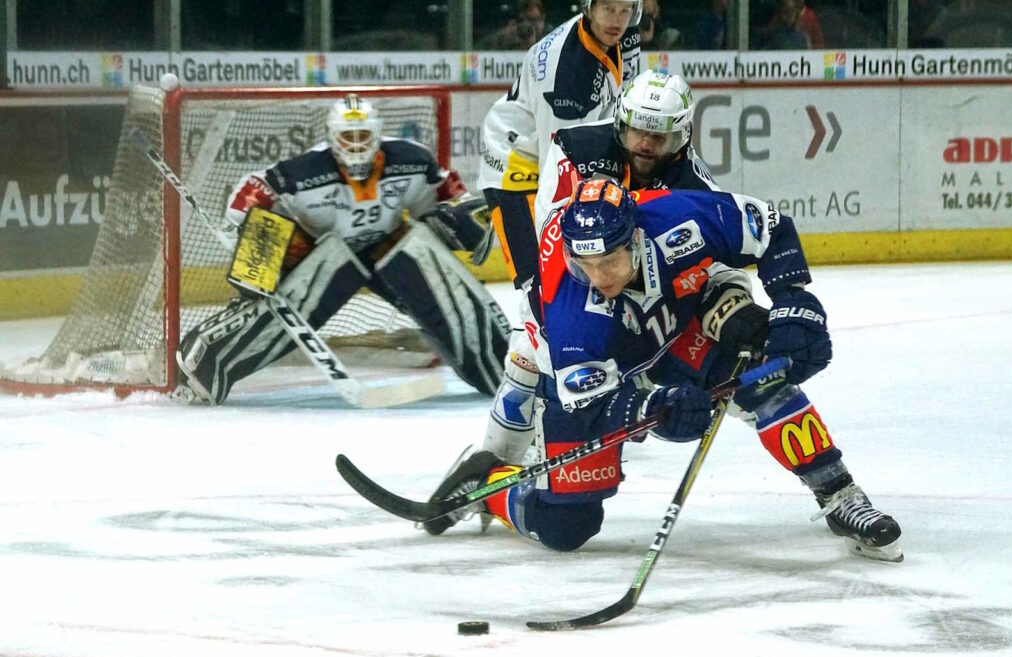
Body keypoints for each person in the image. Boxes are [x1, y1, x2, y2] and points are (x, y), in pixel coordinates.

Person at [423, 178, 904, 564]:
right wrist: (653, 406)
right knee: (565, 527)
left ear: (634, 240)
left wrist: (795, 300)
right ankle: (489, 487)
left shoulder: (678, 219)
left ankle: (841, 496)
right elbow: (592, 405)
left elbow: (772, 226)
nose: (599, 276)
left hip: (672, 328)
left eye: (609, 260)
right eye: (584, 263)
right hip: (581, 376)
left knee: (764, 377)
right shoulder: (570, 313)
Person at [173, 94, 508, 405]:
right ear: (332, 138)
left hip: (387, 254)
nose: (356, 145)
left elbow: (447, 193)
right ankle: (205, 362)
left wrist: (460, 217)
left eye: (363, 136)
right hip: (325, 257)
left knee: (439, 288)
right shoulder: (307, 172)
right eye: (348, 137)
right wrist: (245, 225)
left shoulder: (410, 160)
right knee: (273, 284)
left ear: (377, 134)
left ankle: (500, 365)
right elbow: (254, 186)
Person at [483, 69, 721, 464]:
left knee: (728, 360)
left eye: (659, 136)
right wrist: (544, 297)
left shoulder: (696, 186)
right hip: (575, 277)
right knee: (528, 352)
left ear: (681, 138)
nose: (645, 146)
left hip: (647, 300)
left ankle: (827, 479)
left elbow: (712, 264)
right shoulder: (576, 146)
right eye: (636, 132)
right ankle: (489, 464)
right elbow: (552, 231)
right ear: (620, 123)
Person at [477, 0, 643, 291]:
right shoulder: (566, 78)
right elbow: (560, 166)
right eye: (608, 8)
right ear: (589, 8)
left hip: (552, 146)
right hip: (515, 164)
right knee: (540, 284)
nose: (617, 19)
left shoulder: (623, 32)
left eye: (625, 9)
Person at [481, 0, 555, 50]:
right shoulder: (510, 35)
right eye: (526, 21)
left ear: (543, 17)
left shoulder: (552, 36)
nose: (529, 27)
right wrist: (504, 37)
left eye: (534, 21)